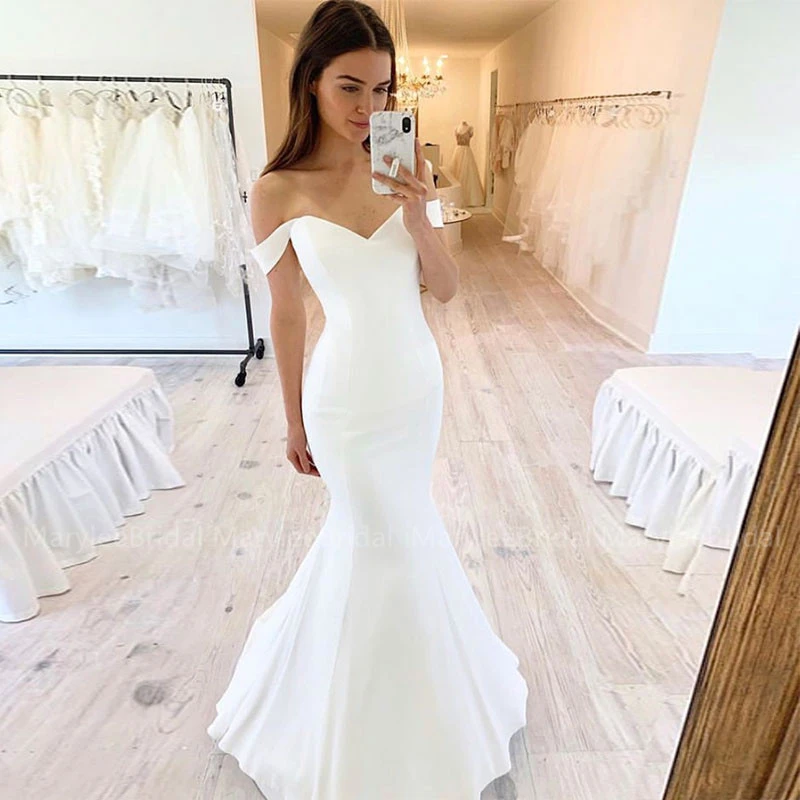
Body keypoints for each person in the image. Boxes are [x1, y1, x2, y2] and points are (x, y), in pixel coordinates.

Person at [206, 2, 528, 797]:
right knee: (375, 533)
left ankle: (424, 705)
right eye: (349, 86)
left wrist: (420, 218)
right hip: (343, 395)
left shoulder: (406, 164)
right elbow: (287, 311)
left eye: (382, 90)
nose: (368, 107)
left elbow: (445, 291)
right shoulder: (276, 190)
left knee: (403, 528)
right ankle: (357, 720)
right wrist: (291, 418)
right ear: (311, 81)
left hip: (414, 383)